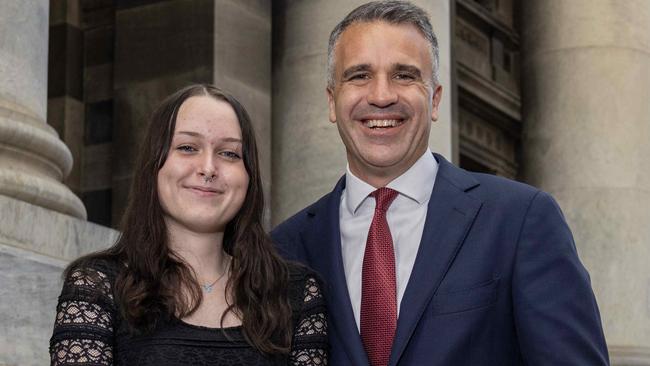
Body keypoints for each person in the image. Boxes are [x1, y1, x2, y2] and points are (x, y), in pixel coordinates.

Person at [271, 1, 609, 365]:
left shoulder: (519, 219)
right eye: (359, 76)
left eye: (404, 75)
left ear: (434, 99)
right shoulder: (284, 249)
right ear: (332, 101)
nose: (382, 96)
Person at [49, 85, 328, 365]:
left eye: (229, 153)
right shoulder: (97, 286)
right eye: (187, 147)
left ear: (249, 176)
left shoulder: (296, 292)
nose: (208, 168)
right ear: (154, 166)